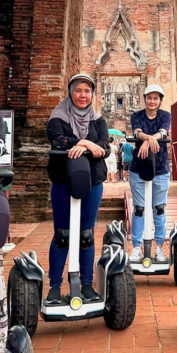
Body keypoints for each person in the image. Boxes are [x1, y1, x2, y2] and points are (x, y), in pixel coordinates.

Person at [46, 73, 110, 304]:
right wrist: (85, 143)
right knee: (63, 234)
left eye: (87, 91)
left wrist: (90, 144)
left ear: (92, 94)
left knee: (86, 235)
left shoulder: (98, 119)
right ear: (71, 92)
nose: (83, 95)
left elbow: (105, 147)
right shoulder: (58, 116)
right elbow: (58, 141)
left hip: (92, 180)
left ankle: (86, 284)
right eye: (78, 90)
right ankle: (54, 285)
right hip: (63, 180)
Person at [128, 84, 171, 262]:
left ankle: (159, 247)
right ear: (144, 98)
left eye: (156, 98)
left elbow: (163, 131)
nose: (152, 101)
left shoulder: (165, 116)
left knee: (159, 208)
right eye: (149, 97)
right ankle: (137, 246)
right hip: (139, 166)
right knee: (139, 208)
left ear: (160, 101)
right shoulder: (136, 116)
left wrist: (150, 139)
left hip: (160, 167)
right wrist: (148, 139)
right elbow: (136, 132)